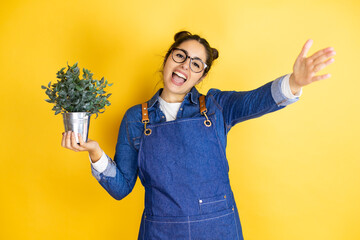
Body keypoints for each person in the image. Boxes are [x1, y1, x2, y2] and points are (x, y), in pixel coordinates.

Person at [61, 31, 336, 240]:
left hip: (219, 229)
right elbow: (121, 189)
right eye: (180, 56)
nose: (185, 66)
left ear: (201, 76)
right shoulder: (136, 118)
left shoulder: (216, 107)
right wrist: (95, 154)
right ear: (168, 58)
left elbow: (257, 100)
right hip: (161, 231)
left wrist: (294, 82)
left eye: (196, 64)